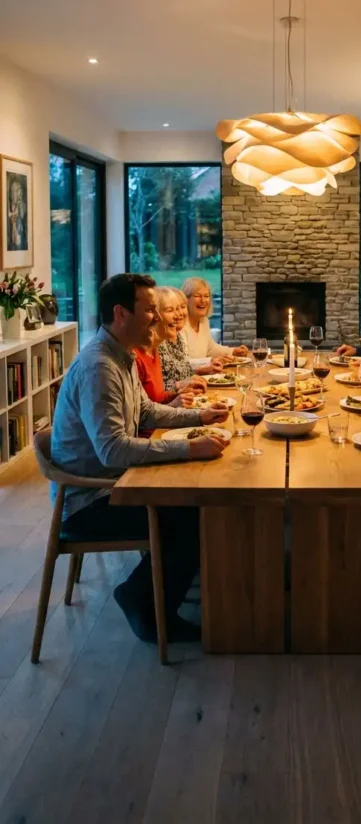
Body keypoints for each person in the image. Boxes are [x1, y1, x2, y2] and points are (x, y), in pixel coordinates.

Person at [51, 273, 230, 644]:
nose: (157, 318)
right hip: (91, 502)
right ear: (121, 313)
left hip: (113, 484)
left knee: (194, 504)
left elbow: (146, 412)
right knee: (191, 514)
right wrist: (188, 447)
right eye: (149, 310)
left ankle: (171, 592)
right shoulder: (100, 367)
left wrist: (199, 416)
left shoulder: (122, 354)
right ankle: (145, 604)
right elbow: (113, 449)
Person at [180, 276, 248, 370]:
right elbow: (182, 363)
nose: (203, 300)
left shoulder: (204, 321)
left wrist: (233, 351)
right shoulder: (179, 325)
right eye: (197, 296)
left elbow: (210, 348)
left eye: (206, 296)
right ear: (185, 300)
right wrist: (210, 361)